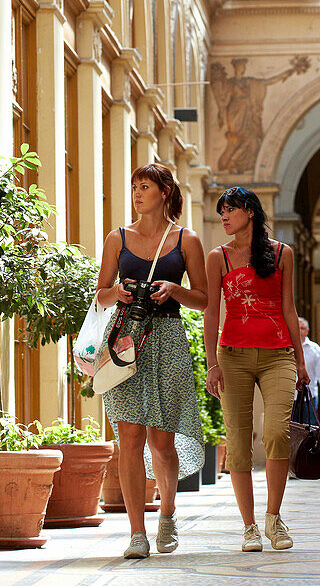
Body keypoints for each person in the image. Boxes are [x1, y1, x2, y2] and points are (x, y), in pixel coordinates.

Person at [95, 163, 208, 560]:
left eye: (145, 186)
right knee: (129, 438)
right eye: (134, 187)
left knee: (162, 441)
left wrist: (176, 289)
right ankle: (136, 533)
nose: (137, 193)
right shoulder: (117, 238)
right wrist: (119, 292)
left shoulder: (187, 239)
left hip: (169, 339)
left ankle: (167, 513)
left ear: (164, 192)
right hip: (127, 340)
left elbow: (205, 299)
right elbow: (100, 295)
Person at [204, 186, 309, 553]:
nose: (224, 217)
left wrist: (300, 358)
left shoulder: (282, 254)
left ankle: (273, 518)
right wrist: (211, 363)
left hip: (278, 352)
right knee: (237, 441)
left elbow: (289, 308)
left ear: (249, 211)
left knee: (277, 432)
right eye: (222, 212)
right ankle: (249, 526)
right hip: (231, 355)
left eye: (229, 210)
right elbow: (212, 312)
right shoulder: (219, 257)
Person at [298, 317, 320, 413]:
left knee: (310, 427)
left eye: (302, 328)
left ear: (307, 331)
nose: (299, 331)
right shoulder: (287, 348)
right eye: (297, 328)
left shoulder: (315, 349)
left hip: (309, 398)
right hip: (289, 399)